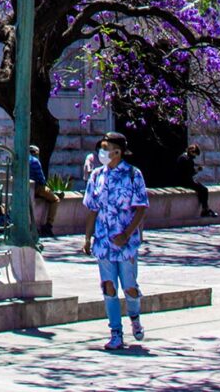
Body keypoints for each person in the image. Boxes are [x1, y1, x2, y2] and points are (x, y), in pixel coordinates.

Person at [83, 132, 149, 352]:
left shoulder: (133, 174)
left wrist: (128, 234)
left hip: (126, 243)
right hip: (103, 241)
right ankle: (115, 333)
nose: (102, 152)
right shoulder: (96, 176)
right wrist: (87, 237)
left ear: (118, 151)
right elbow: (92, 209)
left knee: (129, 287)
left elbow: (140, 209)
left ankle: (135, 317)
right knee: (109, 287)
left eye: (106, 147)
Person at [175, 143, 217, 217]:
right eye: (195, 154)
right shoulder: (187, 159)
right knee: (204, 189)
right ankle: (205, 209)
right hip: (185, 181)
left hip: (181, 180)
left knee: (201, 189)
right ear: (192, 152)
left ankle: (205, 208)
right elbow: (190, 173)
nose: (194, 156)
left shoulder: (182, 157)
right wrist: (197, 170)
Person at [29, 144, 60, 239]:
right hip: (36, 187)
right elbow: (41, 178)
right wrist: (46, 187)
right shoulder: (35, 161)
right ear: (36, 153)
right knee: (56, 199)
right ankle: (48, 225)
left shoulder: (20, 159)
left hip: (22, 187)